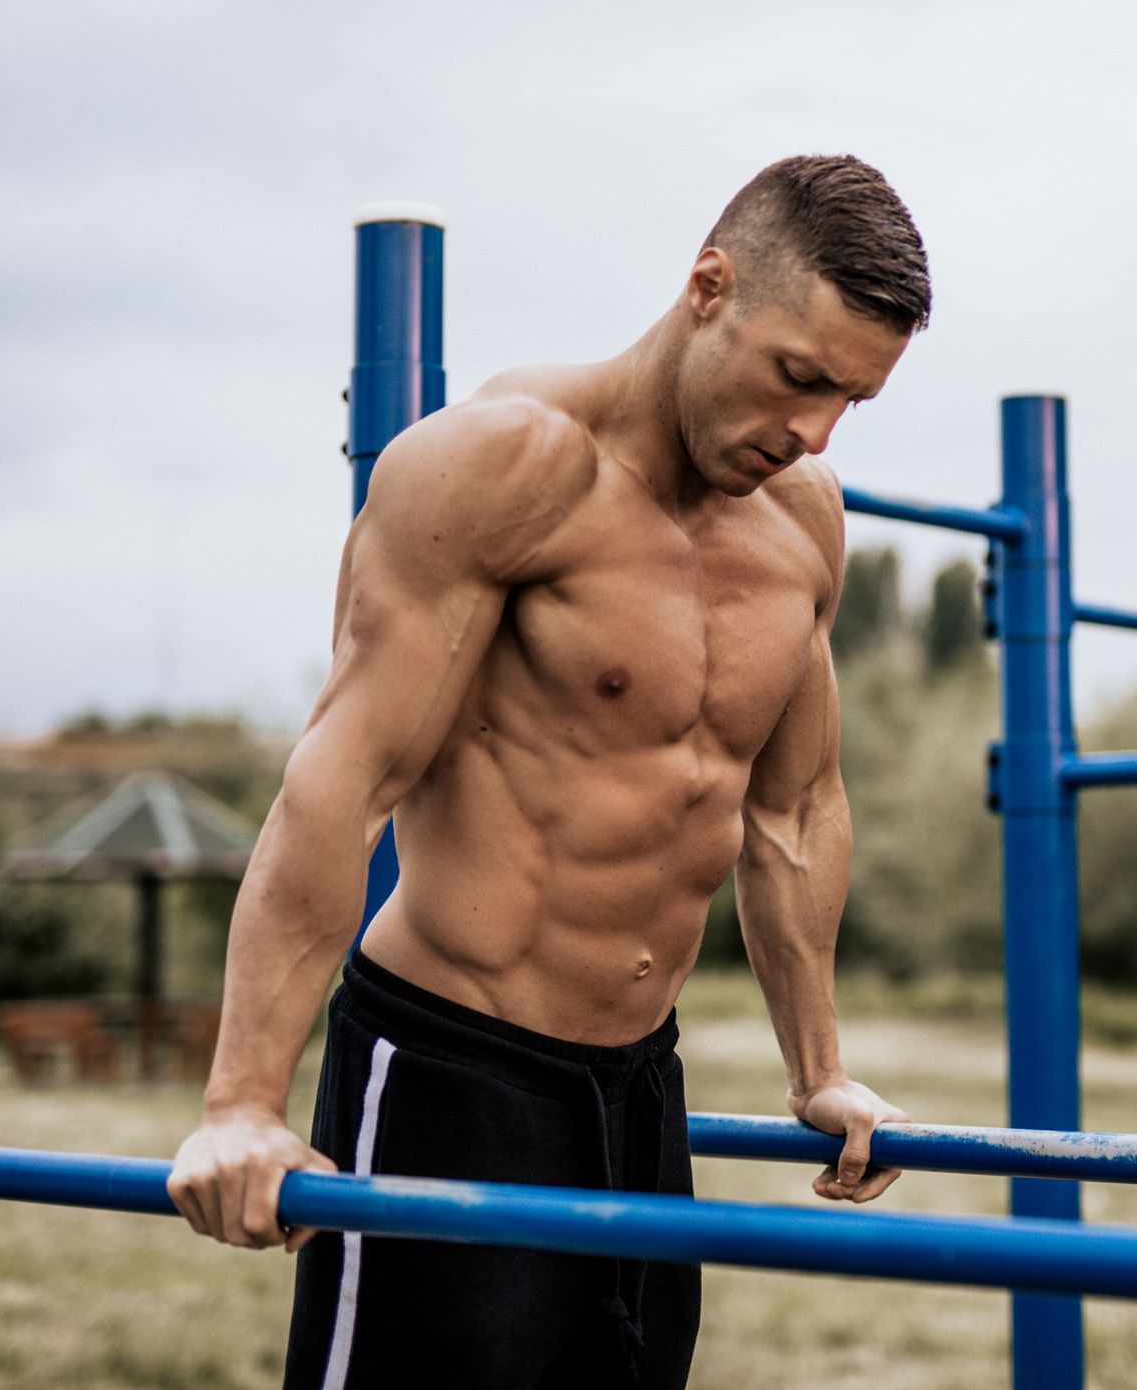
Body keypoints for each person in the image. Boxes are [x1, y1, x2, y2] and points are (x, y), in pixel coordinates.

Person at [168, 153, 931, 1390]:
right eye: (798, 377)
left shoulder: (804, 523)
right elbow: (340, 780)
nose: (810, 432)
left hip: (641, 1088)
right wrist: (243, 1102)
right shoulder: (501, 468)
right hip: (450, 1071)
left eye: (850, 399)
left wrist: (821, 1068)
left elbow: (789, 808)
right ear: (708, 286)